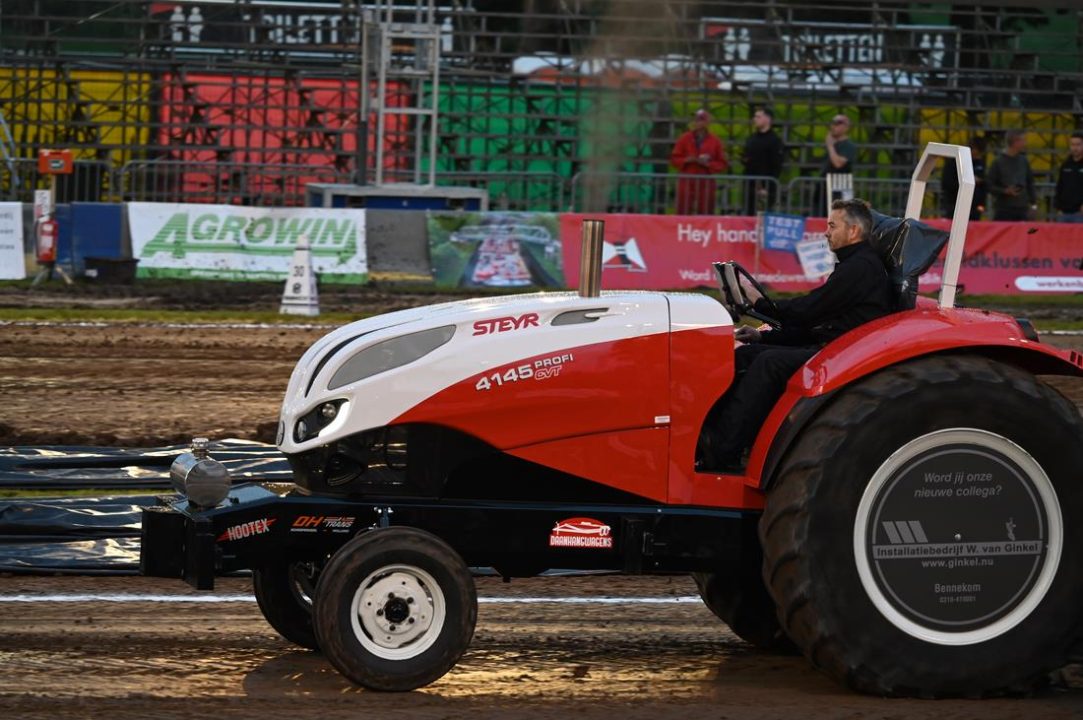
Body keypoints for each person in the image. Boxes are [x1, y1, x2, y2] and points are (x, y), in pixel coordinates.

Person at [699, 199, 893, 472]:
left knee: (768, 364)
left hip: (841, 355)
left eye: (832, 226)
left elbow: (807, 311)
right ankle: (718, 433)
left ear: (853, 231)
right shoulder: (854, 265)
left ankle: (723, 450)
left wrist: (760, 303)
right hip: (832, 346)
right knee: (745, 354)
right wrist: (762, 337)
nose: (826, 232)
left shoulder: (860, 268)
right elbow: (813, 321)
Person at [670, 108, 728, 214]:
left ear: (707, 122)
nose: (697, 122)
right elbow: (674, 158)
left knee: (706, 210)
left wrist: (708, 164)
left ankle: (704, 225)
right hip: (687, 179)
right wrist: (686, 160)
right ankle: (682, 225)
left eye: (700, 119)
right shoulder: (684, 138)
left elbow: (722, 163)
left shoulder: (715, 141)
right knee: (683, 209)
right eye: (695, 119)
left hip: (705, 180)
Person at [741, 107, 785, 216]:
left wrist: (768, 187)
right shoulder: (751, 139)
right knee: (749, 214)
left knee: (763, 215)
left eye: (758, 117)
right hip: (750, 184)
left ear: (767, 119)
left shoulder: (775, 141)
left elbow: (776, 165)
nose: (755, 119)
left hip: (766, 185)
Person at [811, 114, 857, 216]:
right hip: (823, 189)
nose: (833, 126)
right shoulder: (832, 145)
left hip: (838, 190)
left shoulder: (848, 146)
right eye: (833, 123)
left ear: (846, 127)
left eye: (838, 124)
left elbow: (838, 164)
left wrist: (830, 146)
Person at [986, 130, 1036, 221]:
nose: (1025, 143)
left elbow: (1030, 183)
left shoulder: (1024, 161)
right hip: (1004, 209)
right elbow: (989, 185)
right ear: (1015, 142)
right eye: (1023, 140)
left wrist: (1033, 205)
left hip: (1022, 208)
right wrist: (1005, 191)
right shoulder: (998, 162)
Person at [940, 136, 987, 220]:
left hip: (974, 207)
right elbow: (947, 183)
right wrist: (966, 182)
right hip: (955, 205)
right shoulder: (953, 163)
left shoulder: (979, 163)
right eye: (977, 154)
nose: (978, 157)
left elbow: (985, 184)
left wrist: (981, 204)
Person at [1053, 131, 1083, 223]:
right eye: (1072, 145)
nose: (1075, 148)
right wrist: (1058, 207)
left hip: (1080, 213)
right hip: (1063, 213)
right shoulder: (1065, 165)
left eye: (1078, 145)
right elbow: (1060, 186)